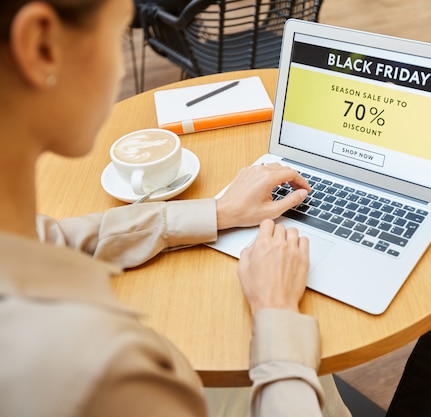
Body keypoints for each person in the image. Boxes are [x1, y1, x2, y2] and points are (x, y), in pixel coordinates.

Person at [0, 0, 351, 416]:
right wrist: (275, 312)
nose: (122, 72)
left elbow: (51, 239)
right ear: (42, 46)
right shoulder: (102, 371)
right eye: (116, 36)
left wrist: (215, 212)